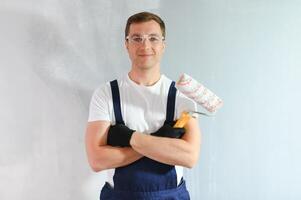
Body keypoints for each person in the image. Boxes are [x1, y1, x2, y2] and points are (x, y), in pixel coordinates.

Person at [85, 11, 201, 200]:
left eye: (153, 38)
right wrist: (160, 142)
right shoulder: (106, 94)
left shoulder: (182, 96)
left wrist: (128, 137)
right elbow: (97, 160)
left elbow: (189, 157)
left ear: (163, 45)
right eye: (137, 38)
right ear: (126, 44)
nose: (145, 45)